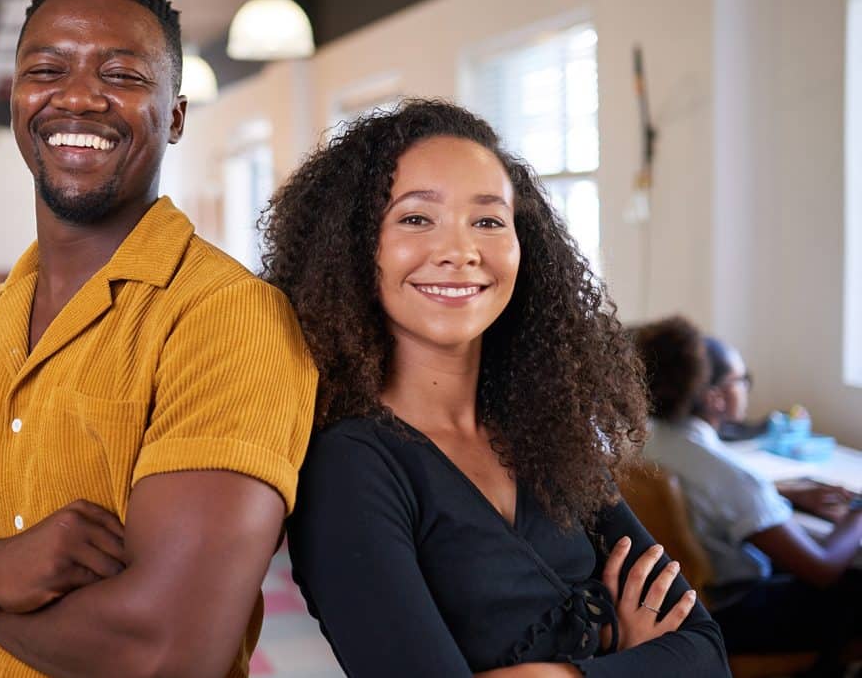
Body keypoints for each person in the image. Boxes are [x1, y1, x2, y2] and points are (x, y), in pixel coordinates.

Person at [0, 0, 317, 678]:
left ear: (175, 115)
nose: (79, 97)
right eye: (47, 68)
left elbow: (166, 652)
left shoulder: (226, 318)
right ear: (18, 99)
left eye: (121, 75)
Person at [263, 98, 729, 676]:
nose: (460, 251)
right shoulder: (349, 465)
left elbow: (705, 651)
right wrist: (621, 654)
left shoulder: (546, 435)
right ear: (353, 249)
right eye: (415, 218)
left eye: (487, 220)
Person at [633, 316, 862, 675]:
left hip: (678, 608)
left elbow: (708, 493)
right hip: (734, 616)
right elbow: (822, 569)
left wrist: (783, 493)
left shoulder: (645, 441)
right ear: (716, 397)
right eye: (742, 380)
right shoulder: (731, 476)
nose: (745, 389)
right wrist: (858, 511)